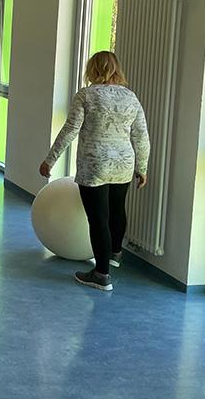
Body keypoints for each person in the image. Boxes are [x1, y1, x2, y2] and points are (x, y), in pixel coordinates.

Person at [40, 51, 150, 291]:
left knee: (98, 218)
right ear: (117, 69)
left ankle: (101, 274)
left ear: (92, 70)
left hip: (95, 164)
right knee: (117, 209)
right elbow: (141, 135)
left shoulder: (86, 95)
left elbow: (70, 129)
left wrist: (50, 160)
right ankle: (115, 254)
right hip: (123, 164)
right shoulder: (130, 97)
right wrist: (142, 167)